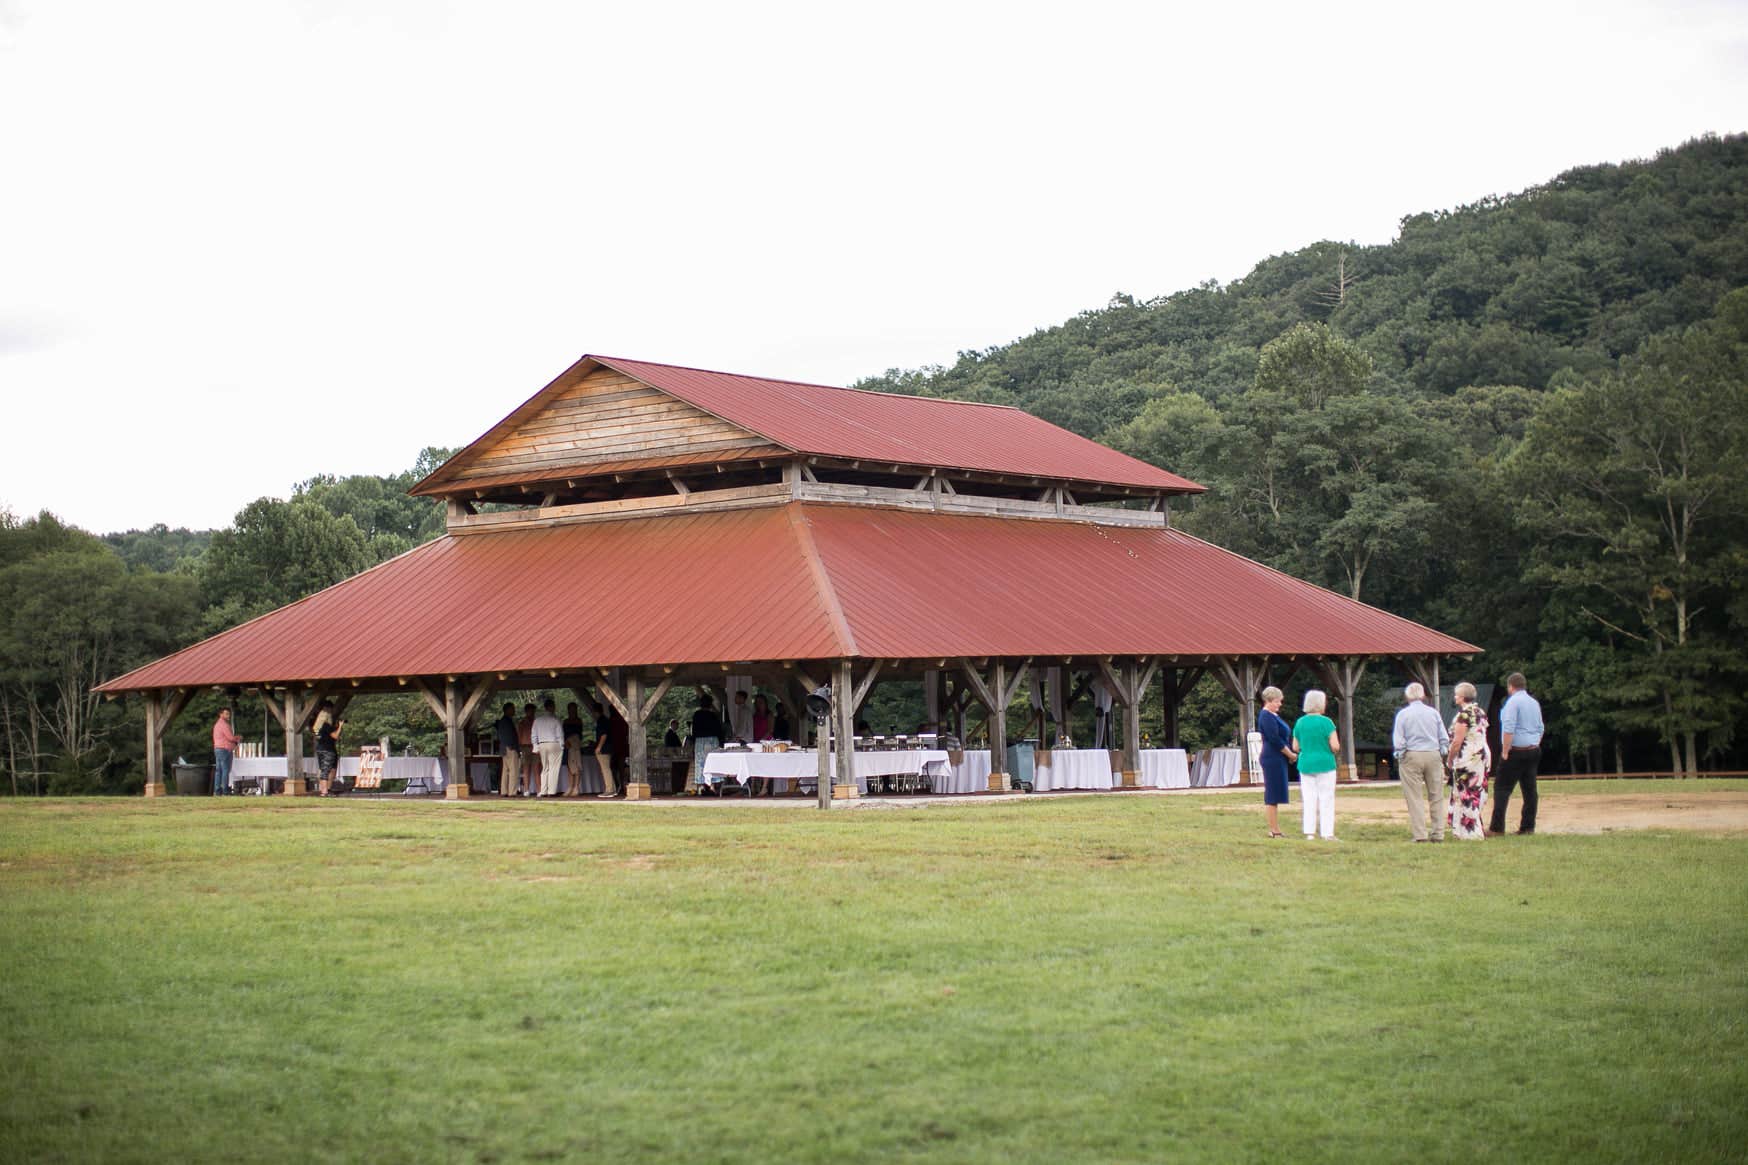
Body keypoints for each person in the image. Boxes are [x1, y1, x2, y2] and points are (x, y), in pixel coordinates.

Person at [1392, 683, 1451, 842]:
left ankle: (1420, 834)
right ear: (1423, 695)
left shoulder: (1403, 714)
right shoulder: (1433, 713)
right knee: (1436, 795)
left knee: (1414, 797)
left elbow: (1399, 739)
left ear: (1407, 697)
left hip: (1412, 754)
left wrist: (1400, 753)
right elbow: (1443, 736)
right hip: (1433, 754)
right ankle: (1438, 833)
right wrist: (1442, 750)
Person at [1491, 672, 1545, 835]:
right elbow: (1541, 727)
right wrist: (1535, 743)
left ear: (1510, 686)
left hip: (1515, 751)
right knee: (1530, 790)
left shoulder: (1512, 703)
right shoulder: (1534, 703)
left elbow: (1508, 728)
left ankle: (1497, 827)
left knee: (1502, 788)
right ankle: (1528, 826)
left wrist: (1505, 751)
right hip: (1533, 749)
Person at [1445, 682, 1492, 840]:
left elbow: (1457, 742)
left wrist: (1450, 759)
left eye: (1457, 694)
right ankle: (1466, 829)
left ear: (1462, 697)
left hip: (1467, 757)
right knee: (1475, 790)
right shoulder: (1480, 712)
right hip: (1481, 755)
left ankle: (1470, 831)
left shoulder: (1464, 715)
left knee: (1465, 792)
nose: (1455, 697)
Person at [1293, 690, 1340, 840]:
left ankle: (1309, 832)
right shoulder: (1327, 722)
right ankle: (1327, 833)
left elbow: (1295, 747)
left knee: (1308, 798)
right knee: (1326, 798)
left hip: (1306, 763)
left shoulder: (1300, 722)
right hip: (1325, 763)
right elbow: (1335, 746)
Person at [1256, 686, 1296, 839]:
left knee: (1277, 793)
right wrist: (1290, 754)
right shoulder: (1266, 716)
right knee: (1272, 794)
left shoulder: (1273, 715)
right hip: (1272, 757)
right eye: (1277, 701)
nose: (1280, 704)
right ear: (1269, 701)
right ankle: (1273, 830)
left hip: (1278, 757)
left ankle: (1276, 828)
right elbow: (1275, 739)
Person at [687, 693, 724, 794]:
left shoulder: (697, 715)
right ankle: (712, 785)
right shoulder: (713, 715)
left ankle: (701, 786)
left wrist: (693, 742)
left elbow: (694, 730)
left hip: (700, 741)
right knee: (712, 763)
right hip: (712, 741)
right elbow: (719, 730)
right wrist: (722, 742)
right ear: (710, 704)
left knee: (701, 763)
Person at [531, 699, 565, 797]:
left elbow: (534, 735)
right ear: (552, 707)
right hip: (554, 743)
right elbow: (560, 735)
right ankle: (551, 791)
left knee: (545, 768)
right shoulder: (555, 720)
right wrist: (562, 746)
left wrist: (535, 746)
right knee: (553, 768)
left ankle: (543, 791)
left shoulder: (537, 720)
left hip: (542, 744)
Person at [313, 700, 345, 796]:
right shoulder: (326, 725)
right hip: (328, 750)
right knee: (326, 770)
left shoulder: (318, 727)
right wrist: (340, 727)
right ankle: (324, 791)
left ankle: (325, 789)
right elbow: (335, 736)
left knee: (326, 769)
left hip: (321, 748)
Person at [211, 707, 240, 796]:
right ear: (221, 714)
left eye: (229, 714)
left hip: (217, 748)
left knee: (218, 770)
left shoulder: (217, 724)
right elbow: (230, 738)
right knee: (225, 770)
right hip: (224, 749)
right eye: (226, 714)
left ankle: (217, 790)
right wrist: (238, 738)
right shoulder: (224, 725)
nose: (228, 715)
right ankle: (225, 790)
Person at [494, 703, 521, 796]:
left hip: (503, 748)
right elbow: (509, 736)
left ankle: (504, 791)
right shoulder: (507, 721)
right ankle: (512, 791)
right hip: (510, 747)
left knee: (505, 771)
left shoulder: (502, 721)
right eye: (512, 708)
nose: (514, 710)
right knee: (513, 770)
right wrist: (513, 747)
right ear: (507, 710)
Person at [593, 708, 618, 798]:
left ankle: (609, 790)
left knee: (605, 769)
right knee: (607, 768)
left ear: (596, 712)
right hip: (608, 747)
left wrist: (599, 747)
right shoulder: (606, 720)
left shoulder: (601, 721)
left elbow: (604, 735)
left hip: (604, 748)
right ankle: (613, 789)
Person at [563, 702, 587, 796]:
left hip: (576, 744)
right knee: (569, 766)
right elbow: (563, 734)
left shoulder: (578, 721)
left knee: (577, 766)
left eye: (574, 709)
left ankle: (576, 787)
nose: (572, 711)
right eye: (570, 709)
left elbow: (579, 735)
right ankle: (570, 787)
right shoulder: (565, 721)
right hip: (568, 745)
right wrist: (565, 742)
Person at [517, 703, 537, 796]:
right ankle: (526, 790)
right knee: (526, 769)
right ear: (526, 711)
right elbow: (519, 736)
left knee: (536, 768)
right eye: (530, 711)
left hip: (535, 746)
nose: (532, 713)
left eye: (533, 711)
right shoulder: (522, 723)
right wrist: (520, 748)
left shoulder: (536, 722)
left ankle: (539, 790)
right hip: (525, 747)